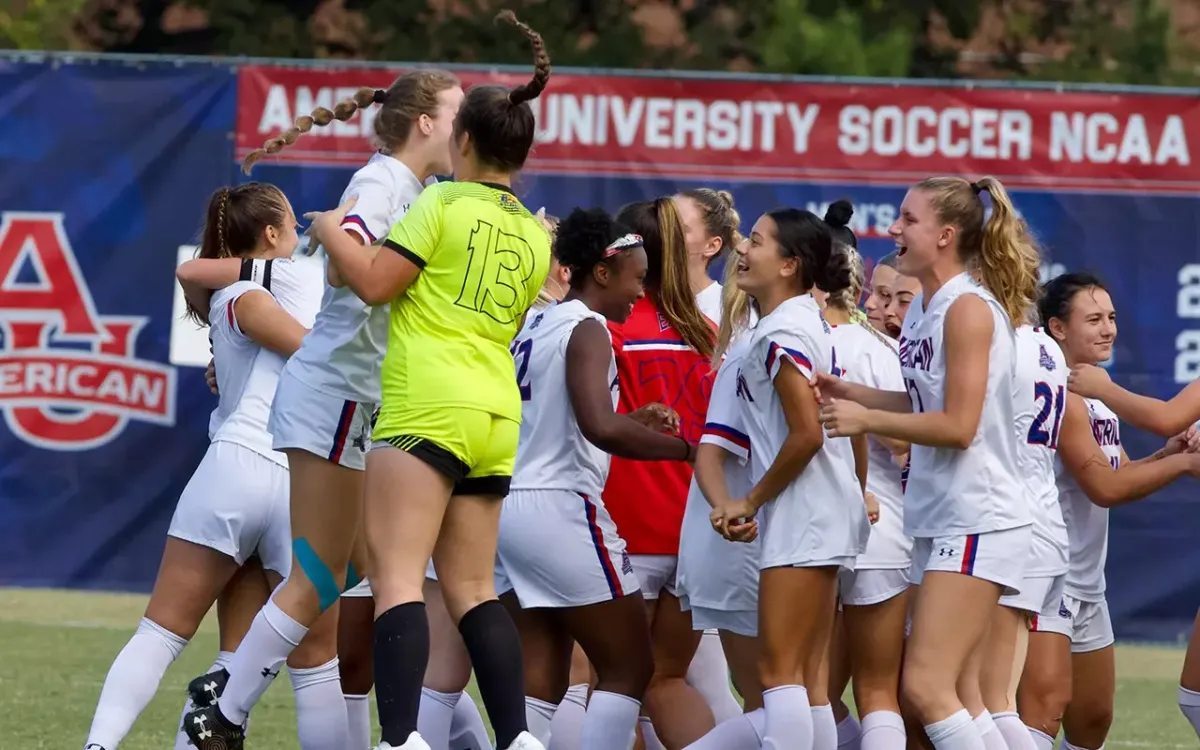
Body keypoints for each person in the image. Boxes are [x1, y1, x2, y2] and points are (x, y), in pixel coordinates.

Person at [183, 68, 464, 750]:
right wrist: (334, 232)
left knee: (368, 573)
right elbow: (346, 269)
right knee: (319, 578)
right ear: (424, 122)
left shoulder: (418, 189)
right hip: (336, 392)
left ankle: (229, 697)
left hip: (358, 397)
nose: (465, 127)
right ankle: (224, 702)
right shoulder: (383, 183)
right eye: (457, 112)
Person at [298, 12, 554, 750]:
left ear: (464, 142)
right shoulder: (535, 235)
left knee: (399, 579)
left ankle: (402, 738)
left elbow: (377, 283)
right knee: (474, 589)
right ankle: (520, 739)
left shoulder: (439, 201)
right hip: (496, 414)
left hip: (425, 403)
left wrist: (329, 229)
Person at [83, 183, 322, 750]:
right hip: (300, 479)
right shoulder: (291, 276)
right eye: (292, 224)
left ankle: (98, 745)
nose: (302, 235)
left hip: (237, 468)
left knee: (160, 633)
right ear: (269, 235)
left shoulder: (230, 296)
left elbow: (193, 274)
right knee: (262, 661)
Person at [816, 176, 1040, 750]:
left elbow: (957, 428)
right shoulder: (927, 308)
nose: (893, 229)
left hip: (979, 518)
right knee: (959, 695)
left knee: (924, 685)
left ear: (944, 234)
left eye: (908, 219)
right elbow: (923, 405)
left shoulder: (966, 309)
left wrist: (867, 423)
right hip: (944, 517)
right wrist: (852, 393)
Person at [498, 207, 700, 749]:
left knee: (543, 670)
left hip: (512, 505)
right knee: (631, 667)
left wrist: (633, 421)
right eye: (636, 277)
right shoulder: (588, 327)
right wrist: (687, 451)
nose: (640, 292)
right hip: (562, 505)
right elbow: (596, 426)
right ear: (603, 273)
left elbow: (563, 421)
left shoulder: (536, 322)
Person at [1015, 271, 1200, 750]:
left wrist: (1162, 457)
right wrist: (1180, 461)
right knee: (1041, 714)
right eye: (1093, 318)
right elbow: (1104, 486)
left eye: (1112, 317)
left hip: (1086, 582)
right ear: (1057, 328)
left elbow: (1121, 471)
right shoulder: (1065, 391)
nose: (1108, 329)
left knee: (1094, 718)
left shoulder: (1097, 396)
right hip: (1045, 575)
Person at [708, 207, 870, 750]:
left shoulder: (783, 329)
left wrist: (749, 499)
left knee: (779, 675)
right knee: (805, 679)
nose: (742, 250)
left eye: (756, 241)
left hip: (804, 515)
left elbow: (807, 434)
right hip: (819, 512)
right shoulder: (803, 321)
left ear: (789, 264)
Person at [607, 196, 719, 749]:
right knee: (665, 678)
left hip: (623, 525)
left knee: (607, 683)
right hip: (694, 530)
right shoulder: (710, 329)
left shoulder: (611, 326)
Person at [820, 202, 912, 750]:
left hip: (819, 527)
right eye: (879, 295)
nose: (882, 307)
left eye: (898, 297)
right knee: (878, 692)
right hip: (876, 528)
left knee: (810, 692)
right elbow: (906, 439)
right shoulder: (873, 348)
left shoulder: (769, 336)